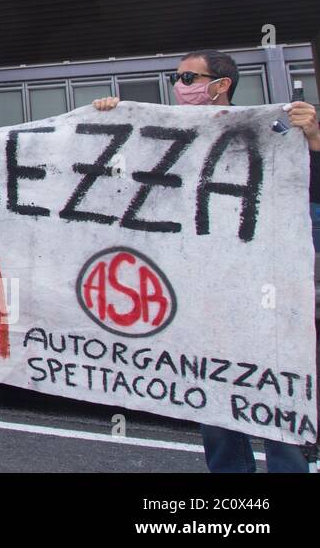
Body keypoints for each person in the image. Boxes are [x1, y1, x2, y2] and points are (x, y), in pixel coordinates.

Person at [93, 48, 319, 473]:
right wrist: (109, 118)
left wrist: (313, 140)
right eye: (178, 77)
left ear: (221, 85)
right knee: (215, 399)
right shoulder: (169, 129)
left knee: (274, 395)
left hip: (263, 288)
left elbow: (305, 189)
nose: (180, 85)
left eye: (189, 78)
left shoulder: (274, 128)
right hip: (203, 287)